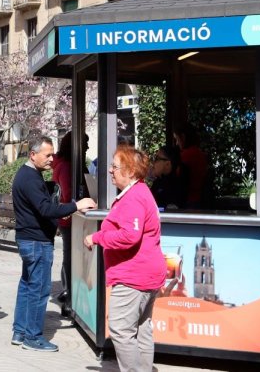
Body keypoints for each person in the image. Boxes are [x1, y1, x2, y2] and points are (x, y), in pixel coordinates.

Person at [84, 148, 167, 372]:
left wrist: (97, 237)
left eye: (115, 167)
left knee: (121, 329)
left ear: (130, 171)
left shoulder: (134, 197)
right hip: (145, 274)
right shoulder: (140, 192)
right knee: (141, 328)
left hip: (134, 277)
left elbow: (130, 235)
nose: (110, 171)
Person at [11, 135, 96, 352]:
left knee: (27, 286)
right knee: (39, 290)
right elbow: (46, 210)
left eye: (52, 153)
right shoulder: (29, 178)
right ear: (33, 154)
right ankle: (32, 336)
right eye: (47, 155)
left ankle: (20, 331)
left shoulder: (29, 175)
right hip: (36, 241)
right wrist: (76, 205)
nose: (52, 158)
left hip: (30, 239)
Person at [50, 132, 75, 313]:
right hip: (68, 219)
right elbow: (67, 195)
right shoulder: (66, 166)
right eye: (85, 143)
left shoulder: (62, 165)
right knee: (69, 256)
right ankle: (67, 292)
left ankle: (67, 290)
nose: (87, 147)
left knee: (68, 255)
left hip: (65, 218)